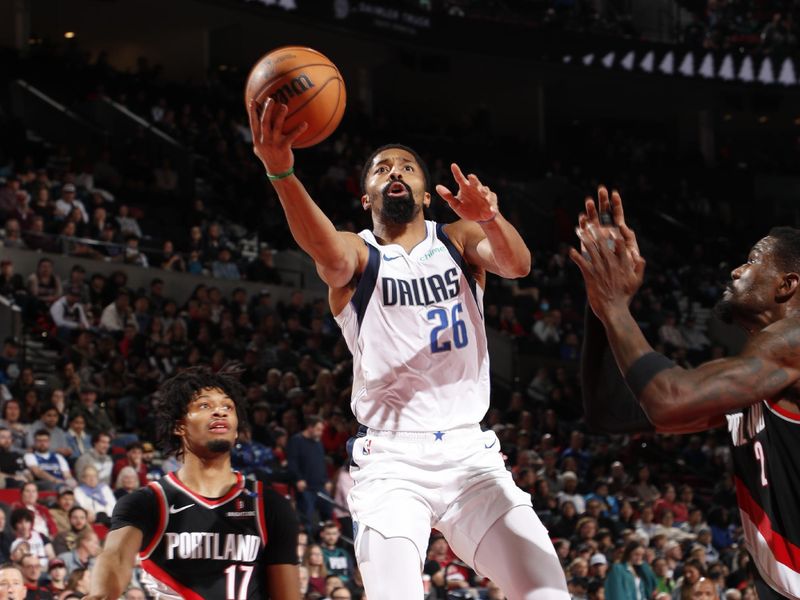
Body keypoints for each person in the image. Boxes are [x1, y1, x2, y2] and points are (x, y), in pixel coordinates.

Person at [248, 98, 569, 599]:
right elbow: (325, 253)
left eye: (407, 167)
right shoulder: (358, 253)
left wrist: (490, 217)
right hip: (393, 461)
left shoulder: (459, 240)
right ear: (366, 197)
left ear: (424, 195)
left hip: (471, 456)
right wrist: (281, 170)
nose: (395, 172)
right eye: (381, 168)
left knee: (548, 591)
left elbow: (517, 264)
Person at [574, 187, 800, 598]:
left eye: (752, 261)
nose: (735, 271)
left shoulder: (796, 342)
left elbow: (668, 398)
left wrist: (615, 307)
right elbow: (609, 412)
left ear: (787, 285)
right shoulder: (755, 379)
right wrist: (599, 304)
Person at [86, 366, 300, 599]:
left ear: (237, 430)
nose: (220, 412)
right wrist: (101, 594)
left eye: (227, 406)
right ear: (179, 426)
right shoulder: (147, 502)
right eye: (205, 405)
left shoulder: (268, 505)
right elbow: (116, 557)